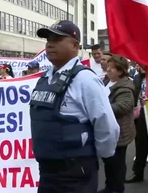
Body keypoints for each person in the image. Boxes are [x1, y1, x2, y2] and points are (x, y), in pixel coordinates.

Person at [30, 20, 120, 193]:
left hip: (75, 174)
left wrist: (97, 157)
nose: (50, 44)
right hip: (47, 173)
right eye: (48, 39)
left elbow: (107, 125)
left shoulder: (85, 79)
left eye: (57, 39)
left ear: (75, 45)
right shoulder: (45, 79)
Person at [101, 55, 135, 193]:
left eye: (111, 67)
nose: (107, 69)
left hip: (119, 134)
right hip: (109, 131)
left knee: (117, 164)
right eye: (107, 66)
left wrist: (100, 107)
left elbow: (123, 106)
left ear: (120, 71)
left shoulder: (125, 88)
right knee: (109, 163)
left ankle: (117, 189)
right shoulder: (107, 81)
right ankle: (110, 187)